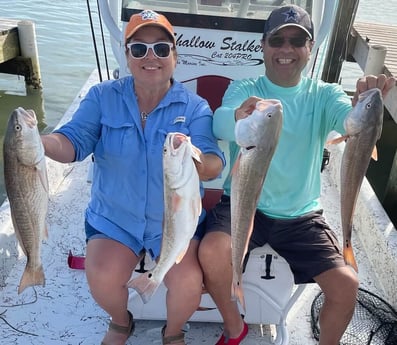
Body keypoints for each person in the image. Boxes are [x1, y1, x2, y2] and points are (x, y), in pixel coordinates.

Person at [198, 5, 396, 345]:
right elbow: (219, 122)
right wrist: (238, 117)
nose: (286, 49)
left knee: (346, 286)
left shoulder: (325, 93)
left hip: (301, 215)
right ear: (263, 46)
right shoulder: (246, 87)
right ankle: (235, 327)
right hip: (245, 204)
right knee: (212, 253)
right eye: (277, 40)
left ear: (310, 48)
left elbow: (348, 123)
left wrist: (363, 103)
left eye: (296, 41)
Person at [41, 9, 224, 345]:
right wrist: (38, 143)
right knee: (101, 276)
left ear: (175, 55)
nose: (150, 57)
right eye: (138, 49)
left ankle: (172, 333)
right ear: (127, 56)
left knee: (187, 284)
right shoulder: (102, 96)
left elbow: (215, 161)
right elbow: (73, 143)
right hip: (115, 217)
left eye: (161, 48)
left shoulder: (195, 107)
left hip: (172, 223)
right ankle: (120, 320)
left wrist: (194, 159)